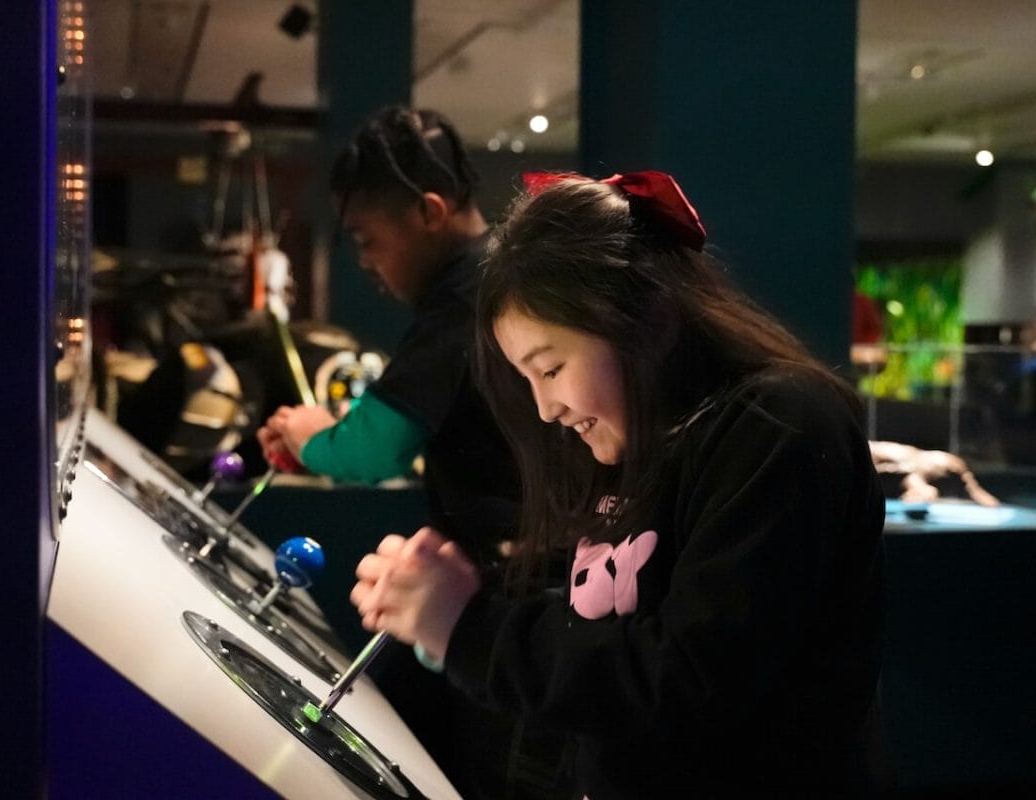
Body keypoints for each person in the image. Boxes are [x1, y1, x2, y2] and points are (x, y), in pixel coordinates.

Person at [352, 172, 888, 799]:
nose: (546, 409)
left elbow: (688, 680)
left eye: (550, 368)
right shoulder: (640, 442)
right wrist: (449, 607)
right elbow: (605, 614)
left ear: (650, 322)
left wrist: (468, 629)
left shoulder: (781, 425)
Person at [257, 106, 572, 799]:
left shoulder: (466, 294)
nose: (366, 264)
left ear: (429, 211)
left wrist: (311, 435)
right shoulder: (497, 278)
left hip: (511, 588)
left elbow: (375, 450)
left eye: (368, 241)